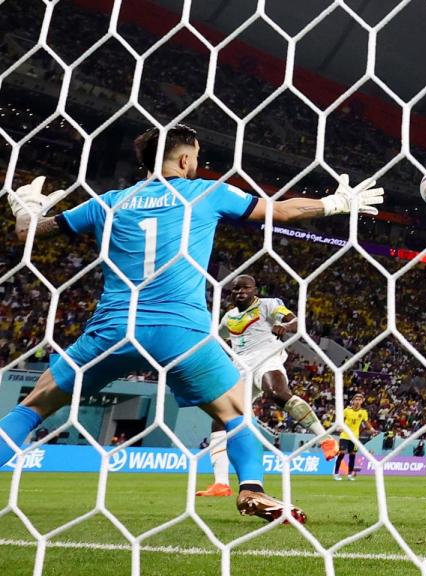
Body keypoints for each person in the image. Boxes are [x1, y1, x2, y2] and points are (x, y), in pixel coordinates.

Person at [1, 124, 383, 522]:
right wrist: (337, 203)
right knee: (235, 414)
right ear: (185, 160)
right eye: (196, 157)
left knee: (33, 406)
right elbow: (283, 210)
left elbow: (29, 233)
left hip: (112, 330)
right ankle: (251, 490)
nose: (197, 164)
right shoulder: (206, 192)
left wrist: (27, 208)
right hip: (180, 332)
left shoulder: (107, 203)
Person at [196, 275, 337, 497]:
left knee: (276, 393)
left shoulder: (268, 305)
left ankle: (325, 438)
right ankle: (221, 483)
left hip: (267, 356)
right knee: (221, 419)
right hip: (240, 366)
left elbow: (296, 321)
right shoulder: (229, 317)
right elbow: (217, 336)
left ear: (255, 290)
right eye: (235, 289)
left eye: (245, 288)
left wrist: (285, 326)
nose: (240, 292)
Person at [334, 392, 376, 481]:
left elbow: (366, 422)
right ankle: (336, 473)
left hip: (355, 437)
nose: (357, 401)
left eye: (359, 400)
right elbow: (339, 419)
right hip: (344, 436)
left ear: (362, 401)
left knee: (352, 455)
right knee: (342, 453)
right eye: (356, 400)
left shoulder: (363, 412)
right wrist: (338, 427)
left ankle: (349, 474)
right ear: (352, 401)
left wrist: (371, 429)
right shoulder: (347, 410)